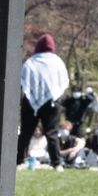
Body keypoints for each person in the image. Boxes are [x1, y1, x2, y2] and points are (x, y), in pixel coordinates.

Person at [20, 33, 71, 169]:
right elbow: (63, 81)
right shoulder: (57, 62)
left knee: (26, 132)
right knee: (52, 133)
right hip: (52, 102)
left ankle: (18, 161)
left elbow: (24, 81)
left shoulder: (31, 62)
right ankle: (57, 163)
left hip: (30, 102)